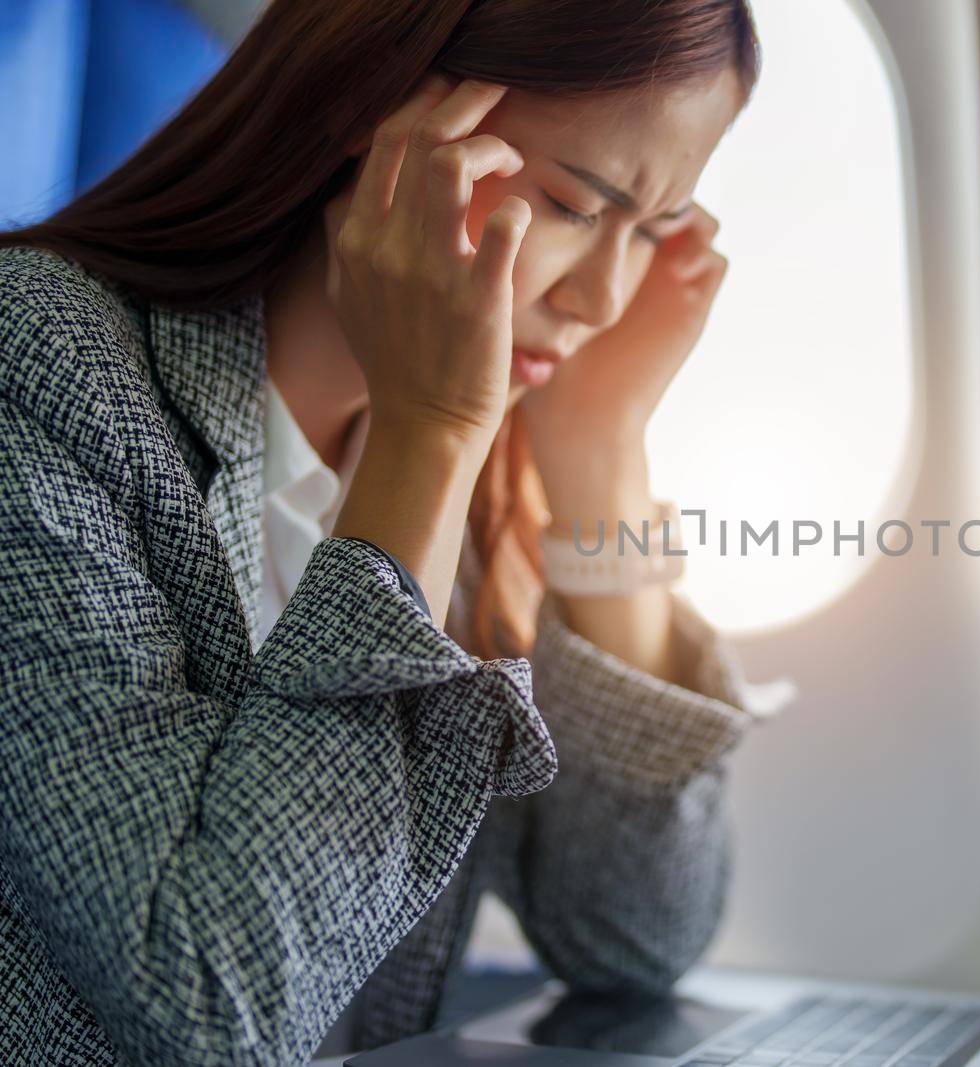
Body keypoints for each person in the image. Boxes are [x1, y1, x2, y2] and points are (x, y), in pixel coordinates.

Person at [0, 1, 790, 1062]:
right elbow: (210, 999)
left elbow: (632, 931)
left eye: (652, 231)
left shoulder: (470, 453)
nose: (606, 297)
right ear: (374, 114)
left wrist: (601, 456)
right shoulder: (40, 367)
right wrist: (428, 442)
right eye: (570, 202)